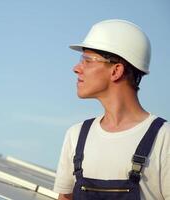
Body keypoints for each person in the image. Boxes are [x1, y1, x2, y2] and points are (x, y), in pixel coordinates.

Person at [53, 19, 170, 200]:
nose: (76, 68)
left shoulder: (164, 139)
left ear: (116, 71)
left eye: (87, 61)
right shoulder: (76, 136)